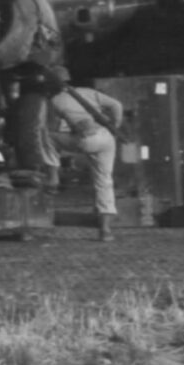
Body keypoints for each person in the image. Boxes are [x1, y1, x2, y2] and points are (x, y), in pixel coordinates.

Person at [42, 65, 124, 241]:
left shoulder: (55, 101)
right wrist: (115, 125)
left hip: (86, 140)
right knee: (104, 181)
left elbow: (55, 127)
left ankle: (53, 175)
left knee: (47, 137)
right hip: (107, 138)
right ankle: (105, 231)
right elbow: (116, 104)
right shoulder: (88, 92)